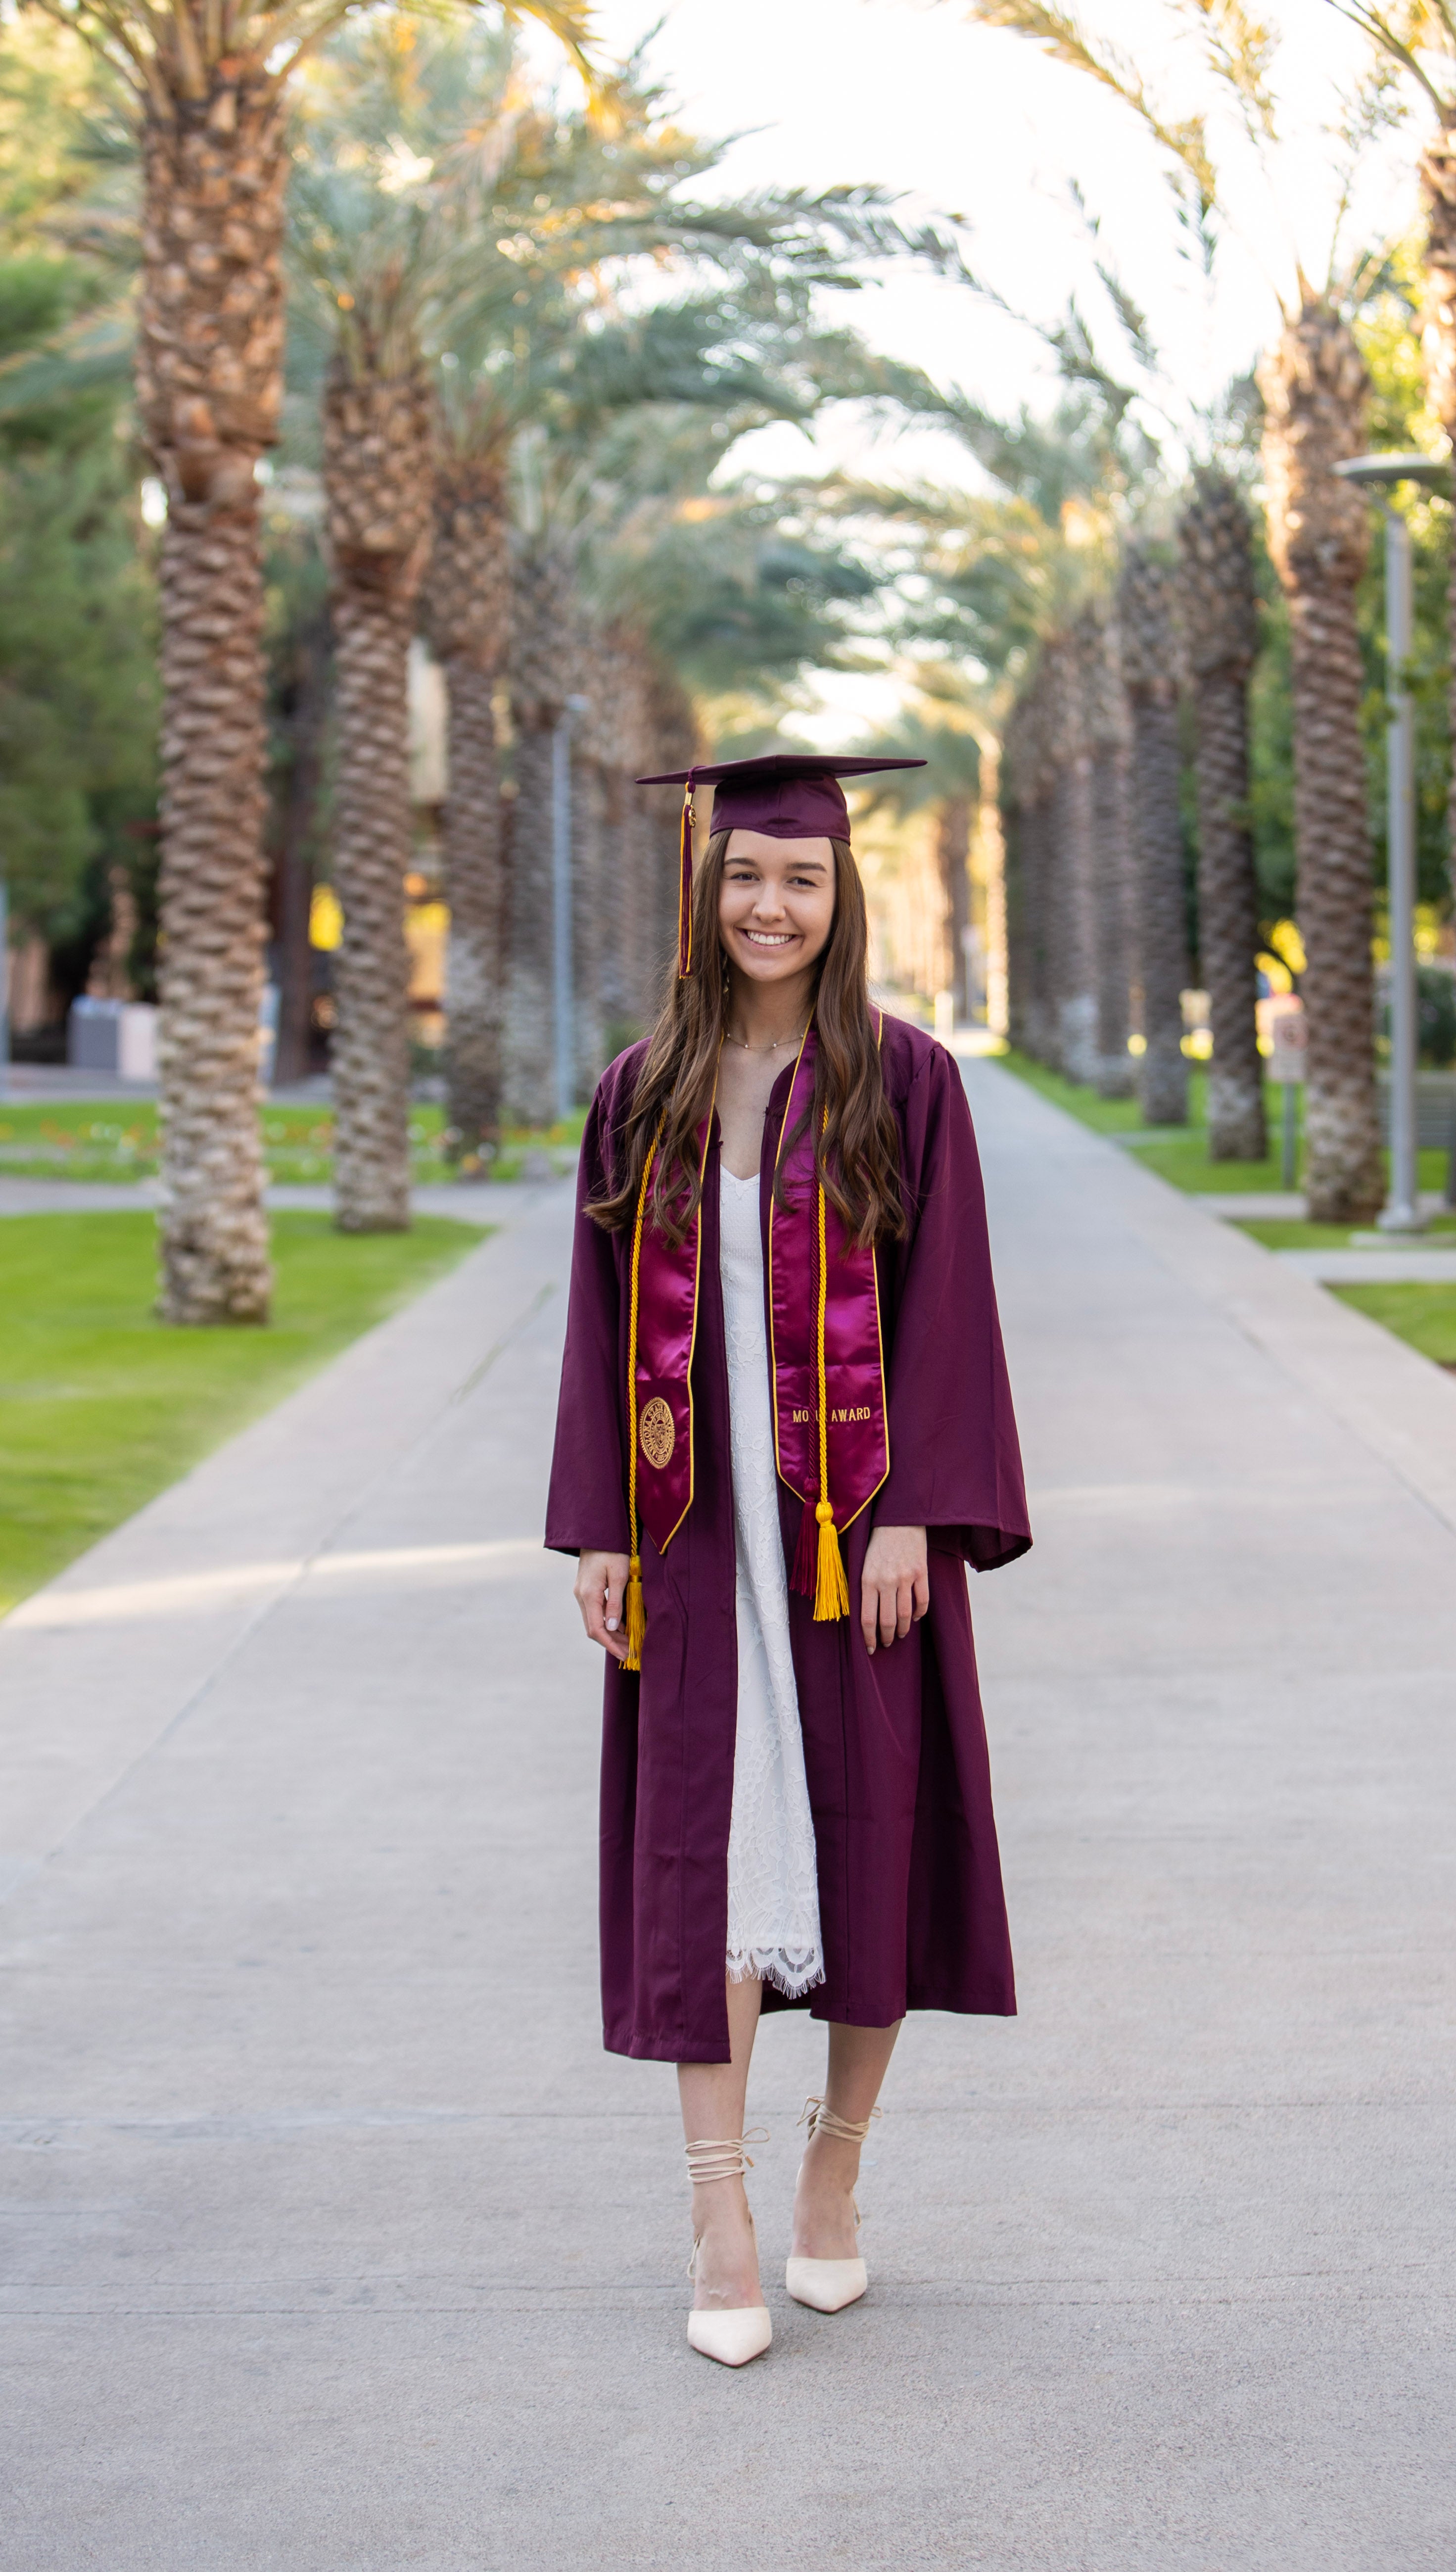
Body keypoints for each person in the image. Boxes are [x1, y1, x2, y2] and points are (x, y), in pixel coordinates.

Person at [545, 751, 1031, 2368]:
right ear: (709, 888)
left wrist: (917, 1512)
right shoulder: (642, 1089)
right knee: (712, 1866)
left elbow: (948, 1306)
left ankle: (830, 2183)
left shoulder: (908, 1081)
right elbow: (594, 1324)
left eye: (801, 880)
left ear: (842, 898)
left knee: (871, 1847)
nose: (771, 905)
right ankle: (718, 2215)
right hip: (693, 1540)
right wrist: (601, 1525)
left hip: (853, 1541)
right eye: (747, 875)